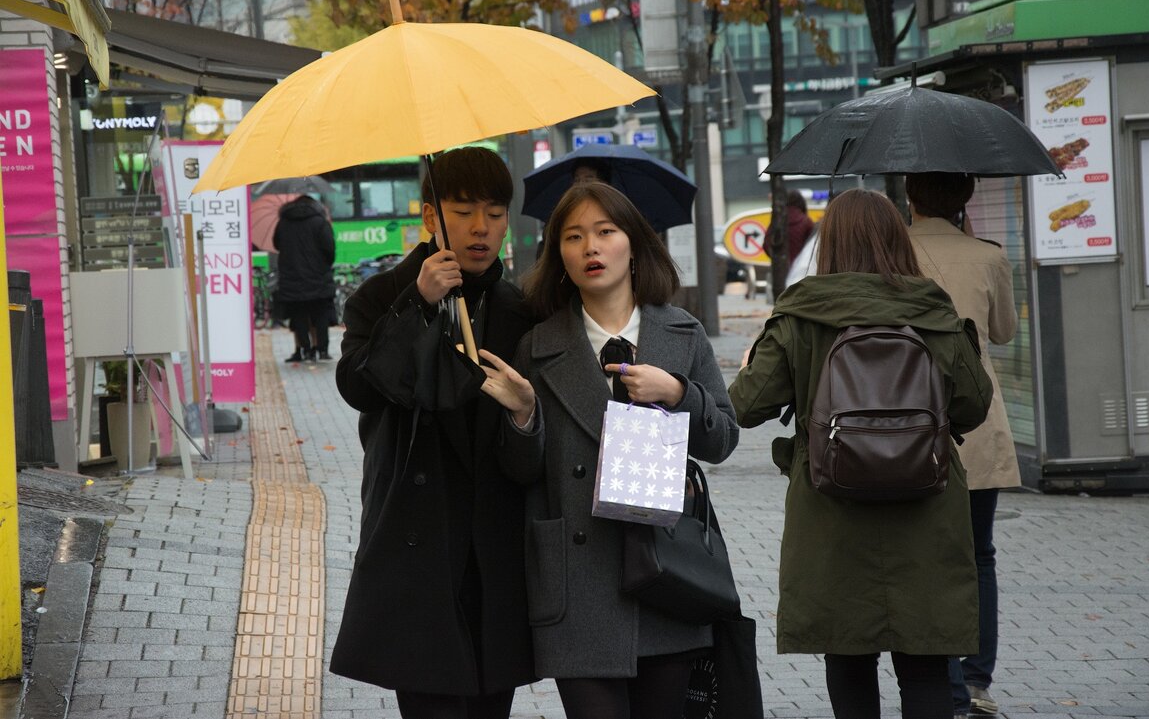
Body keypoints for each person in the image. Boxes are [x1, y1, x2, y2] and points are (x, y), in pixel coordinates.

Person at [479, 181, 740, 719]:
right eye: (573, 238)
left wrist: (678, 395)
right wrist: (524, 416)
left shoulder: (682, 334)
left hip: (666, 575)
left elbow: (723, 441)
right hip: (578, 585)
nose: (590, 248)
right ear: (560, 258)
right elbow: (521, 472)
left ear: (634, 245)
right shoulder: (537, 346)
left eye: (605, 231)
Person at [728, 189, 993, 719]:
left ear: (831, 246)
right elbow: (972, 406)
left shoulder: (802, 314)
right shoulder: (934, 312)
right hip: (927, 512)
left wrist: (751, 361)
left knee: (848, 660)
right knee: (925, 669)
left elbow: (746, 405)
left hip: (831, 516)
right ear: (898, 240)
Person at [330, 147, 535, 718]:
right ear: (429, 217)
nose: (480, 227)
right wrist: (418, 303)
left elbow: (535, 434)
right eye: (463, 210)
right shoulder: (382, 297)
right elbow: (359, 387)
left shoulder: (522, 309)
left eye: (495, 213)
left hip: (494, 549)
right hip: (417, 542)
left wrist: (525, 415)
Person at [906, 172, 1019, 719]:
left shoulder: (891, 251)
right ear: (965, 198)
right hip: (978, 420)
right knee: (979, 554)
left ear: (909, 195)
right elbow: (1003, 331)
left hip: (911, 416)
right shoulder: (990, 256)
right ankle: (977, 681)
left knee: (928, 556)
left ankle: (945, 680)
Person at [272, 193, 336, 362]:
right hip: (318, 278)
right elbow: (330, 249)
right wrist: (323, 266)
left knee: (298, 315)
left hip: (291, 278)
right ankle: (322, 350)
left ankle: (306, 350)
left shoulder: (283, 222)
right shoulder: (320, 222)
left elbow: (276, 244)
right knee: (321, 315)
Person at [769, 190, 815, 269]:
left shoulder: (777, 221)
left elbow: (767, 243)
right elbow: (813, 246)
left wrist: (777, 257)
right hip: (802, 268)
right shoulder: (806, 221)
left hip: (780, 269)